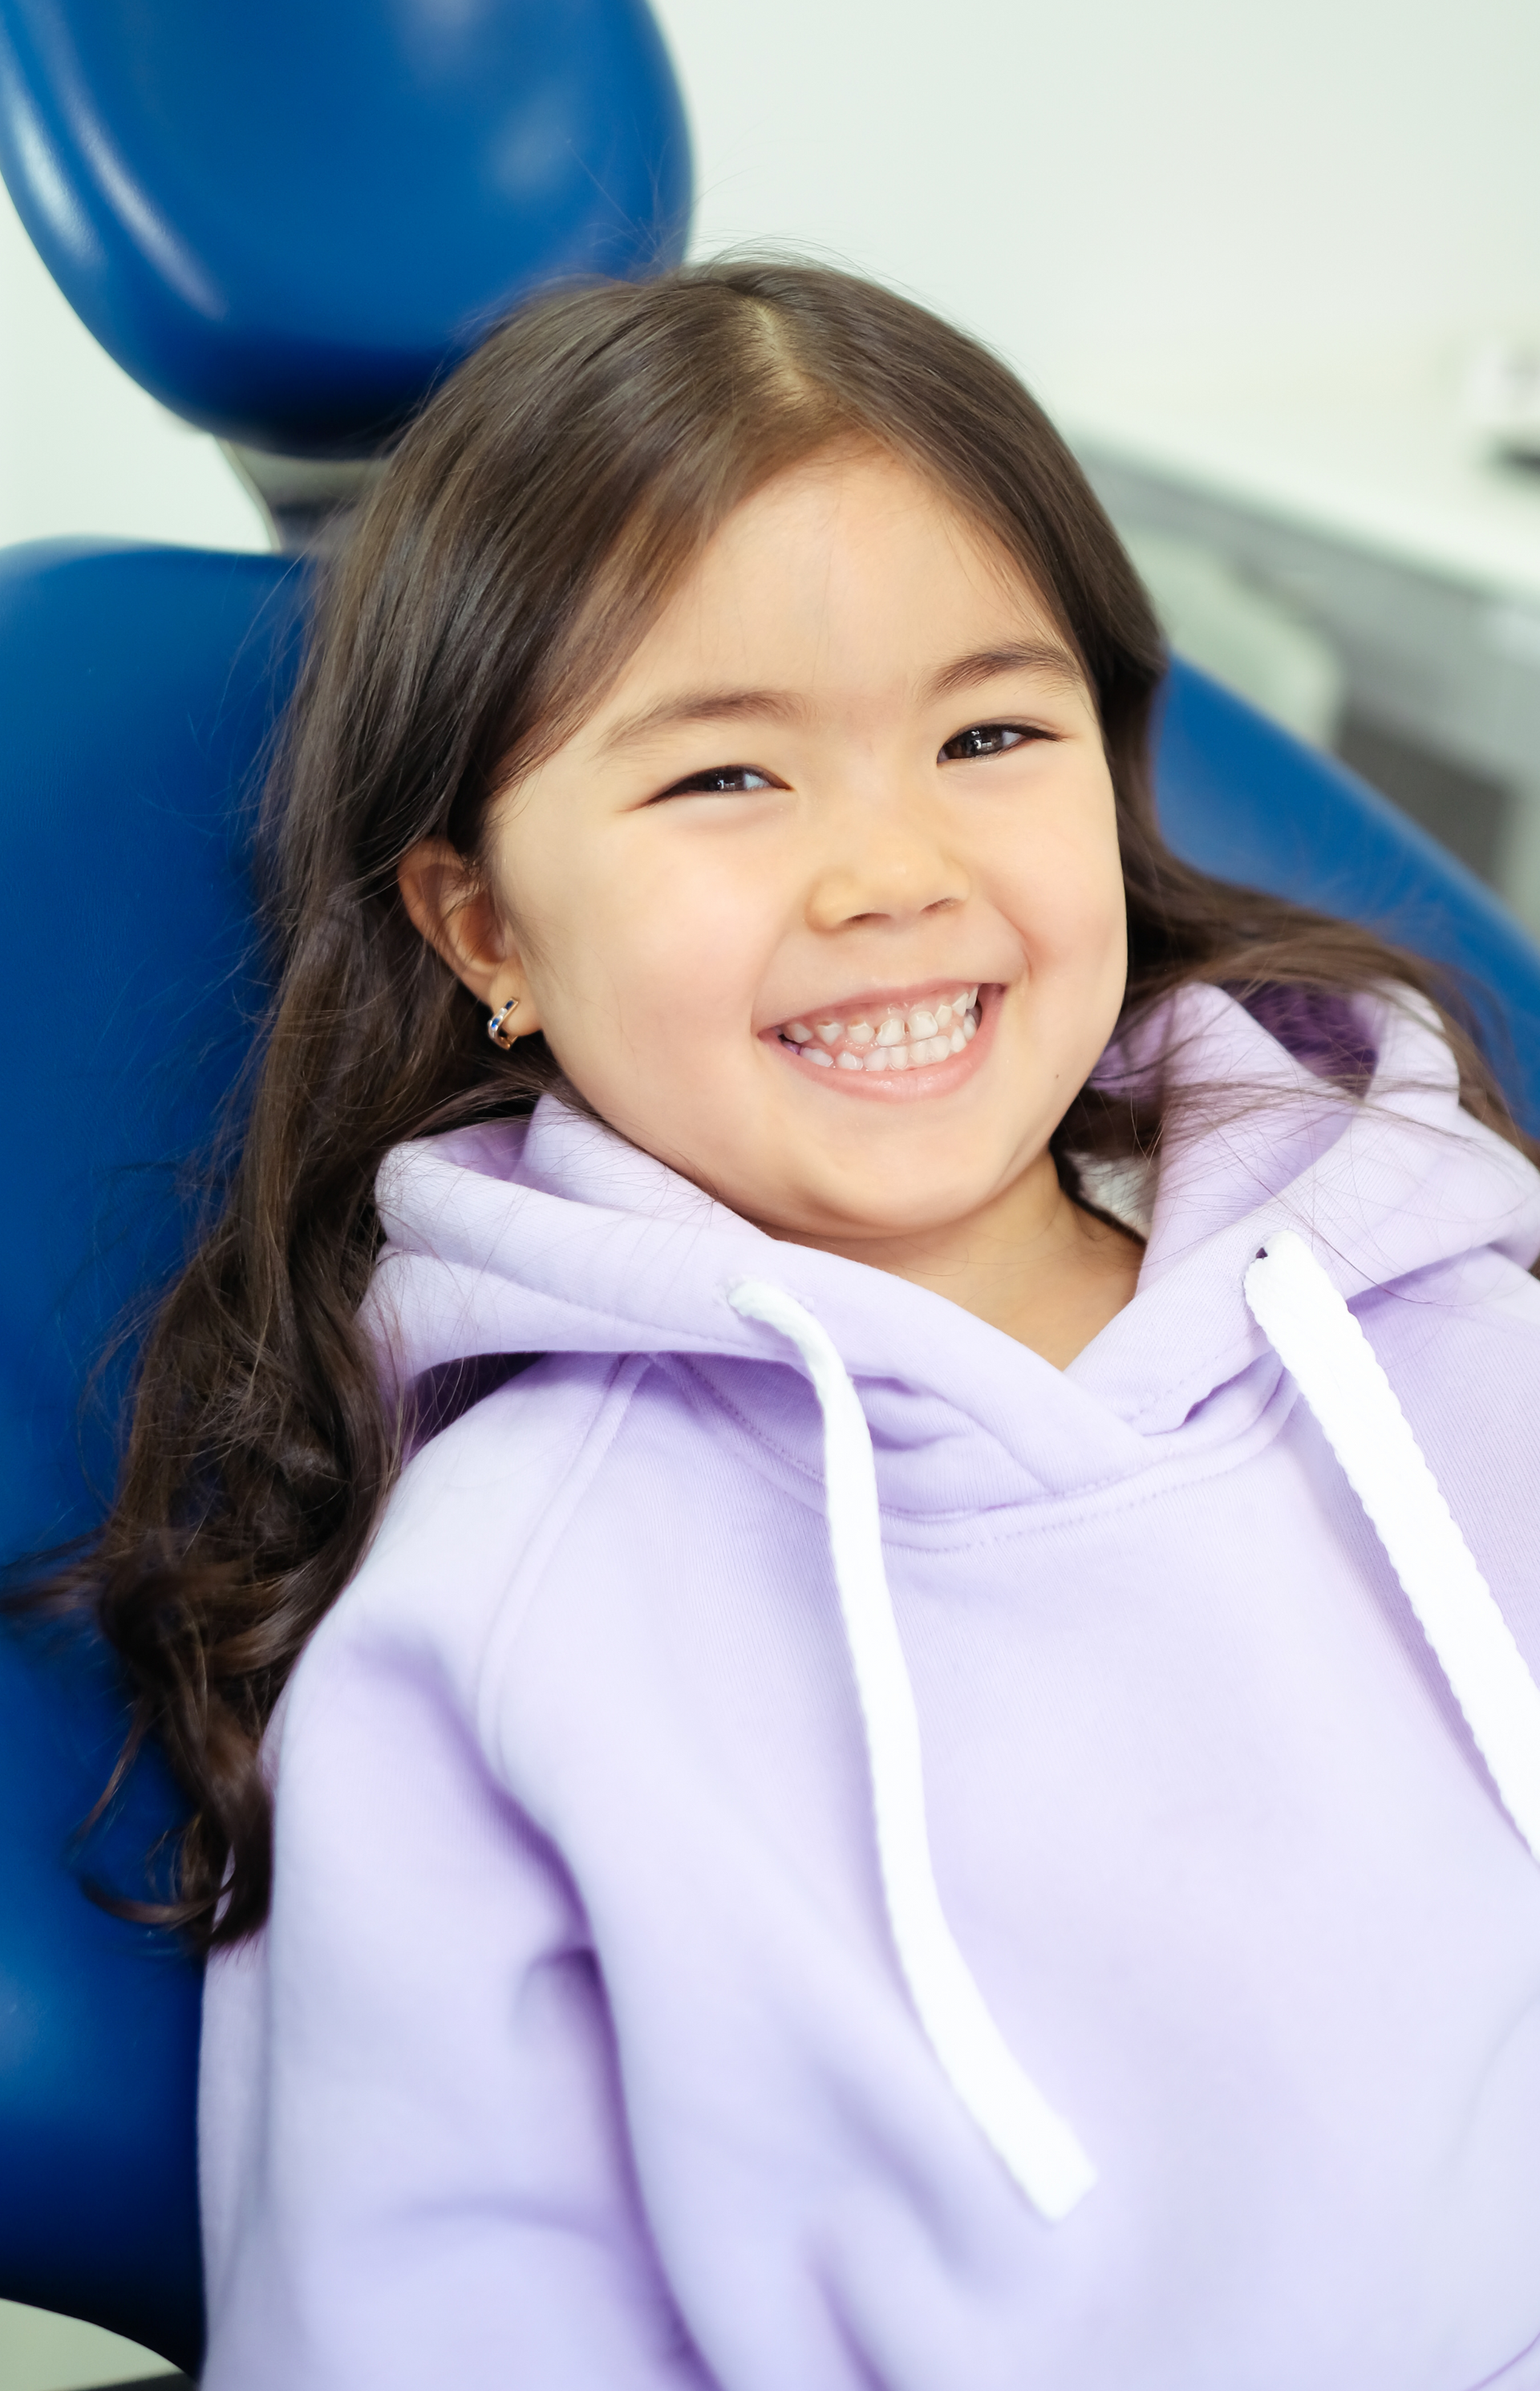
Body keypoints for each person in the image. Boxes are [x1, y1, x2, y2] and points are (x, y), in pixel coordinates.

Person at [83, 265, 1540, 2388]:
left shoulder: (1430, 1299)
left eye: (986, 734)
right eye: (725, 781)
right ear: (486, 925)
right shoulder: (501, 1626)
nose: (890, 868)